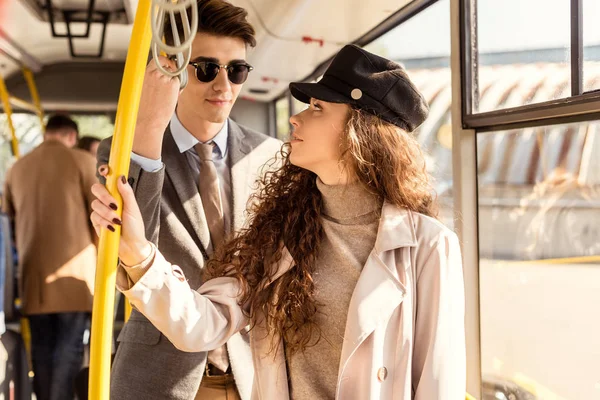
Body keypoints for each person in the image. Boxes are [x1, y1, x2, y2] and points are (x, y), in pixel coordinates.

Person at [91, 45, 466, 399]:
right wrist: (139, 254)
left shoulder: (428, 245)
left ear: (360, 133)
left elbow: (438, 382)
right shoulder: (284, 231)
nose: (295, 116)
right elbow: (203, 324)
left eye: (317, 107)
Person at [95, 0, 281, 399]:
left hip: (254, 376)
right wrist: (147, 128)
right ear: (173, 70)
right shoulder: (124, 150)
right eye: (207, 69)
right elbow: (129, 242)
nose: (224, 85)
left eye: (237, 71)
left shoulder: (270, 155)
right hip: (160, 375)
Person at [3, 114, 97, 400]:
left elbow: (9, 224)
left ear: (47, 134)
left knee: (41, 353)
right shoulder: (83, 162)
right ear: (71, 136)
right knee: (68, 351)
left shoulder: (16, 169)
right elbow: (100, 219)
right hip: (76, 279)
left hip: (33, 280)